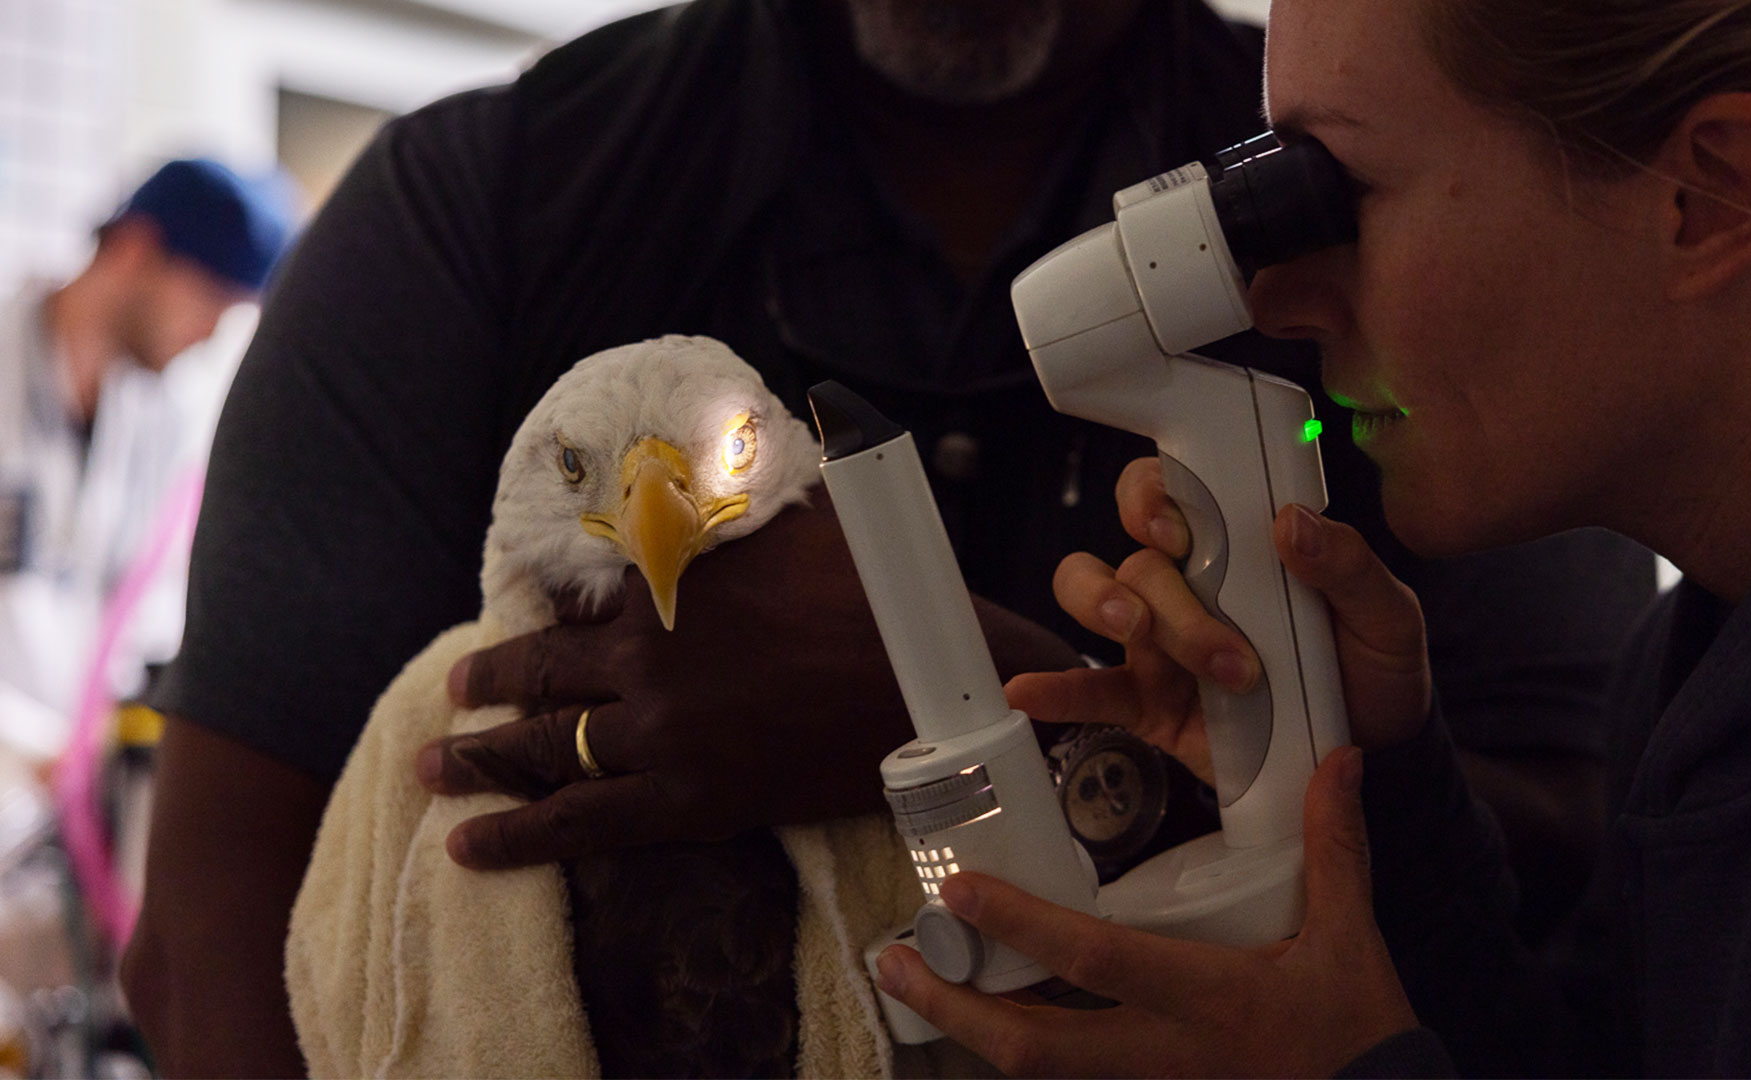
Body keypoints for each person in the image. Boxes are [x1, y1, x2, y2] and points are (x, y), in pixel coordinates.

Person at [121, 1, 1654, 1074]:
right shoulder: (478, 211)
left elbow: (1576, 903)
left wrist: (996, 726)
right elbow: (205, 948)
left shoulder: (1389, 182)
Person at [874, 0, 1751, 1074]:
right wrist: (1365, 790)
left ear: (1711, 197)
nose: (1277, 300)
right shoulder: (1707, 664)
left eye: (1337, 191)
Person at [0, 158, 295, 758]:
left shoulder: (163, 421)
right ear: (135, 250)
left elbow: (137, 620)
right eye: (210, 296)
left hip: (59, 800)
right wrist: (32, 744)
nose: (212, 331)